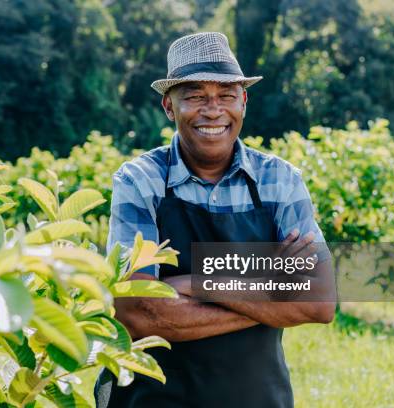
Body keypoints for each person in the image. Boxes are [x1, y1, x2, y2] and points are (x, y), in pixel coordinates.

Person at [99, 32, 335, 408]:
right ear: (169, 106)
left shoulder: (280, 180)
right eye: (194, 96)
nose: (213, 110)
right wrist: (270, 288)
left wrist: (193, 283)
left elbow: (319, 305)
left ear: (243, 101)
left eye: (226, 95)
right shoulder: (140, 180)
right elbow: (138, 313)